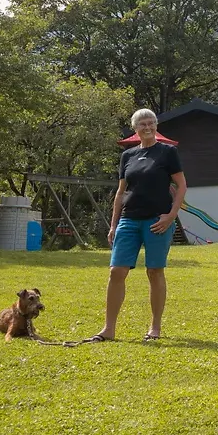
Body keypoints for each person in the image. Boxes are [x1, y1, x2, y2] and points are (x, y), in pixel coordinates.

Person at [88, 108, 186, 343]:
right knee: (116, 271)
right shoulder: (127, 156)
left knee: (154, 271)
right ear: (135, 128)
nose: (147, 127)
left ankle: (155, 327)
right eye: (142, 123)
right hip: (129, 220)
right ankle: (108, 329)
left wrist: (171, 215)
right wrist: (113, 224)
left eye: (151, 122)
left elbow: (181, 186)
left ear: (156, 125)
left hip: (157, 222)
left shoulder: (168, 152)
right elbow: (121, 192)